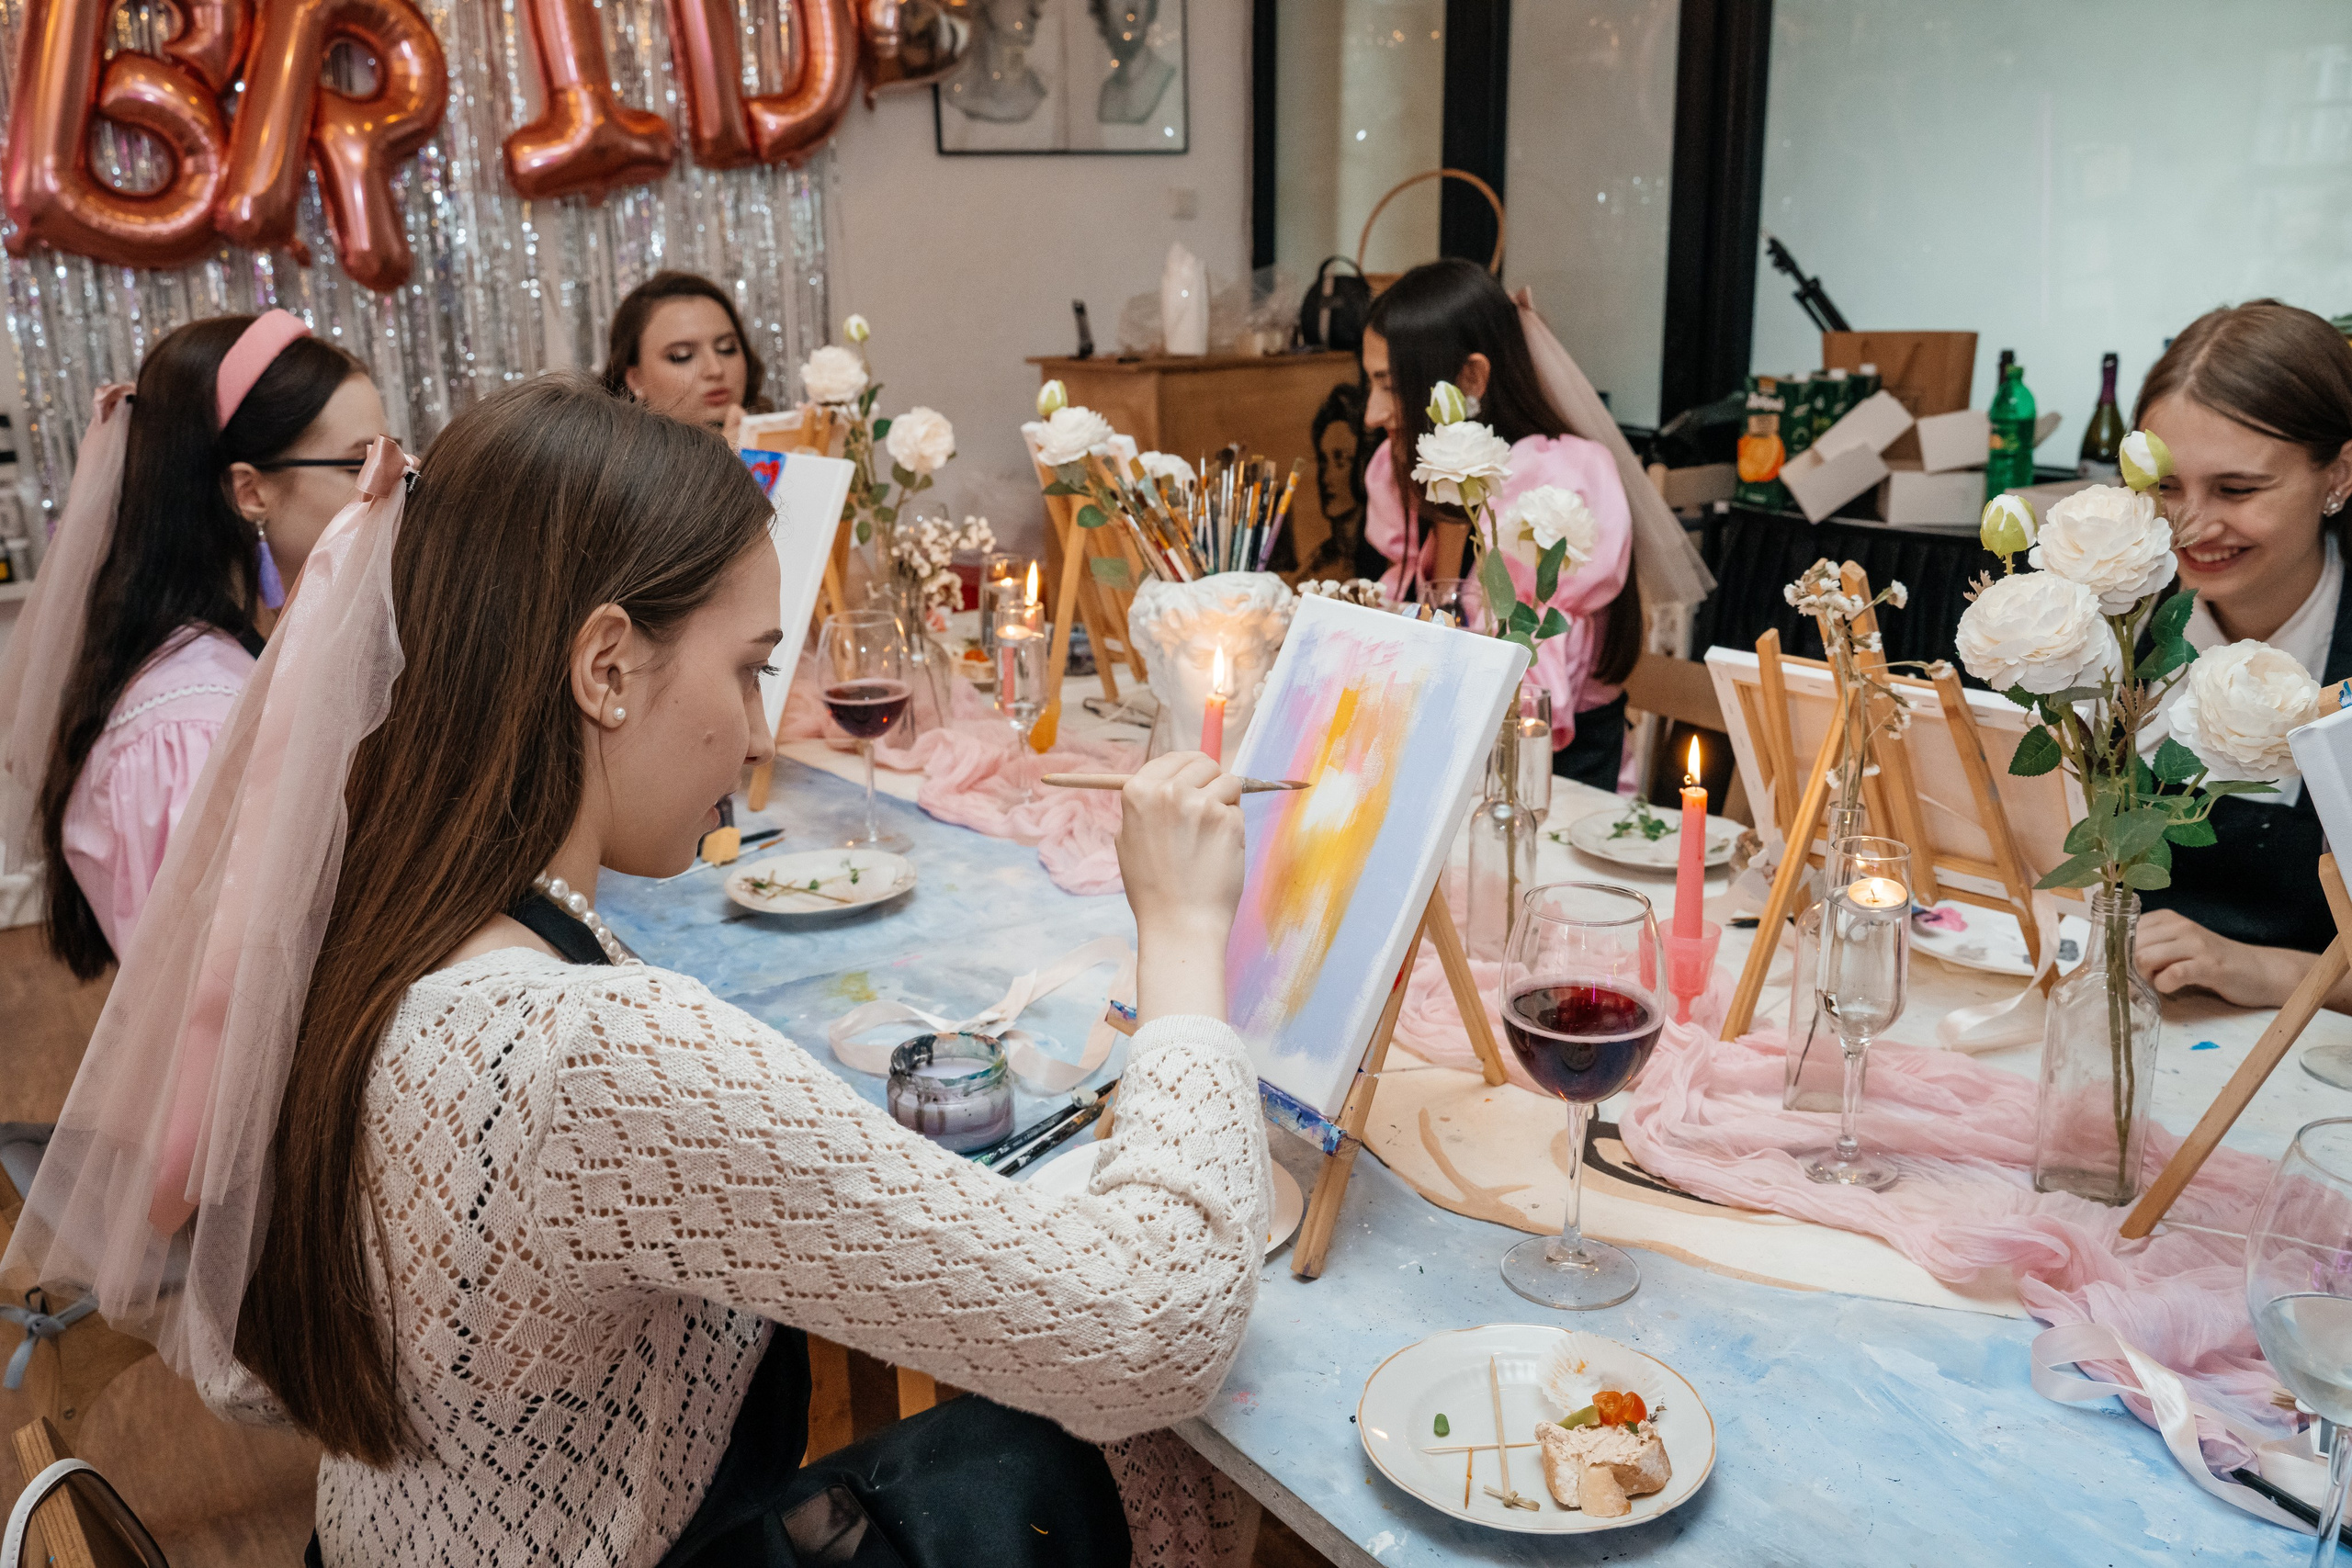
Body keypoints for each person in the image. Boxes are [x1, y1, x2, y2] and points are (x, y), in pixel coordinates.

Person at [6, 377, 1269, 1568]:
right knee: (1118, 1451)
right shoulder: (589, 1056)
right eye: (749, 667)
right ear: (605, 665)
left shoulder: (380, 921)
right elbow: (1154, 1332)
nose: (760, 732)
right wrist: (1180, 935)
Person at [0, 310, 380, 979]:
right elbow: (224, 993)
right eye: (359, 463)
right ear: (249, 490)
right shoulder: (189, 730)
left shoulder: (225, 661)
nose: (389, 488)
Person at [2129, 299, 2352, 1009]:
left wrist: (2265, 970)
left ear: (2340, 474)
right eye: (2166, 487)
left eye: (2236, 489)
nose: (2193, 525)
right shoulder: (2118, 625)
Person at [1361, 259, 1642, 790]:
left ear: (1471, 378)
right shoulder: (1405, 474)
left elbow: (1531, 706)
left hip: (1556, 770)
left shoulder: (1555, 483)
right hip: (1449, 753)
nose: (1372, 414)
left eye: (1390, 386)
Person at [603, 271, 765, 440]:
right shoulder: (608, 455)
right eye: (682, 356)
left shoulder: (777, 444)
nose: (715, 370)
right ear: (635, 380)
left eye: (727, 348)